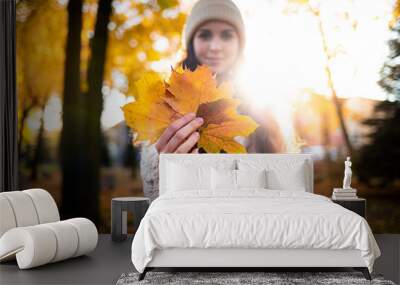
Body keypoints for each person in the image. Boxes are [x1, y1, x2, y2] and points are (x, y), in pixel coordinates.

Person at [139, 0, 286, 202]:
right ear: (191, 43)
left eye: (227, 35)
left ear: (239, 44)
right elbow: (154, 200)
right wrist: (163, 169)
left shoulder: (262, 109)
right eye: (205, 35)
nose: (215, 46)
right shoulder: (164, 105)